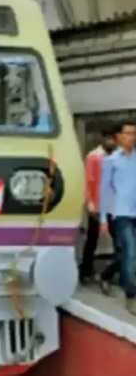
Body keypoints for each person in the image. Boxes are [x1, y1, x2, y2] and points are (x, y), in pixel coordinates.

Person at [100, 120, 136, 315]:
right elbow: (105, 191)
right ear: (120, 137)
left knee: (129, 255)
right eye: (128, 133)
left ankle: (106, 274)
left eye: (134, 133)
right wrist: (104, 218)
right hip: (122, 214)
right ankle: (131, 296)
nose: (132, 137)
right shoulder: (111, 161)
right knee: (130, 252)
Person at [80, 128, 117, 284]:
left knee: (120, 241)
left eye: (114, 139)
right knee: (92, 240)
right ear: (104, 138)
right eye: (109, 138)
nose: (112, 142)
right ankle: (86, 271)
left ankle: (113, 273)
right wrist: (90, 205)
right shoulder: (94, 157)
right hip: (98, 206)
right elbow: (88, 182)